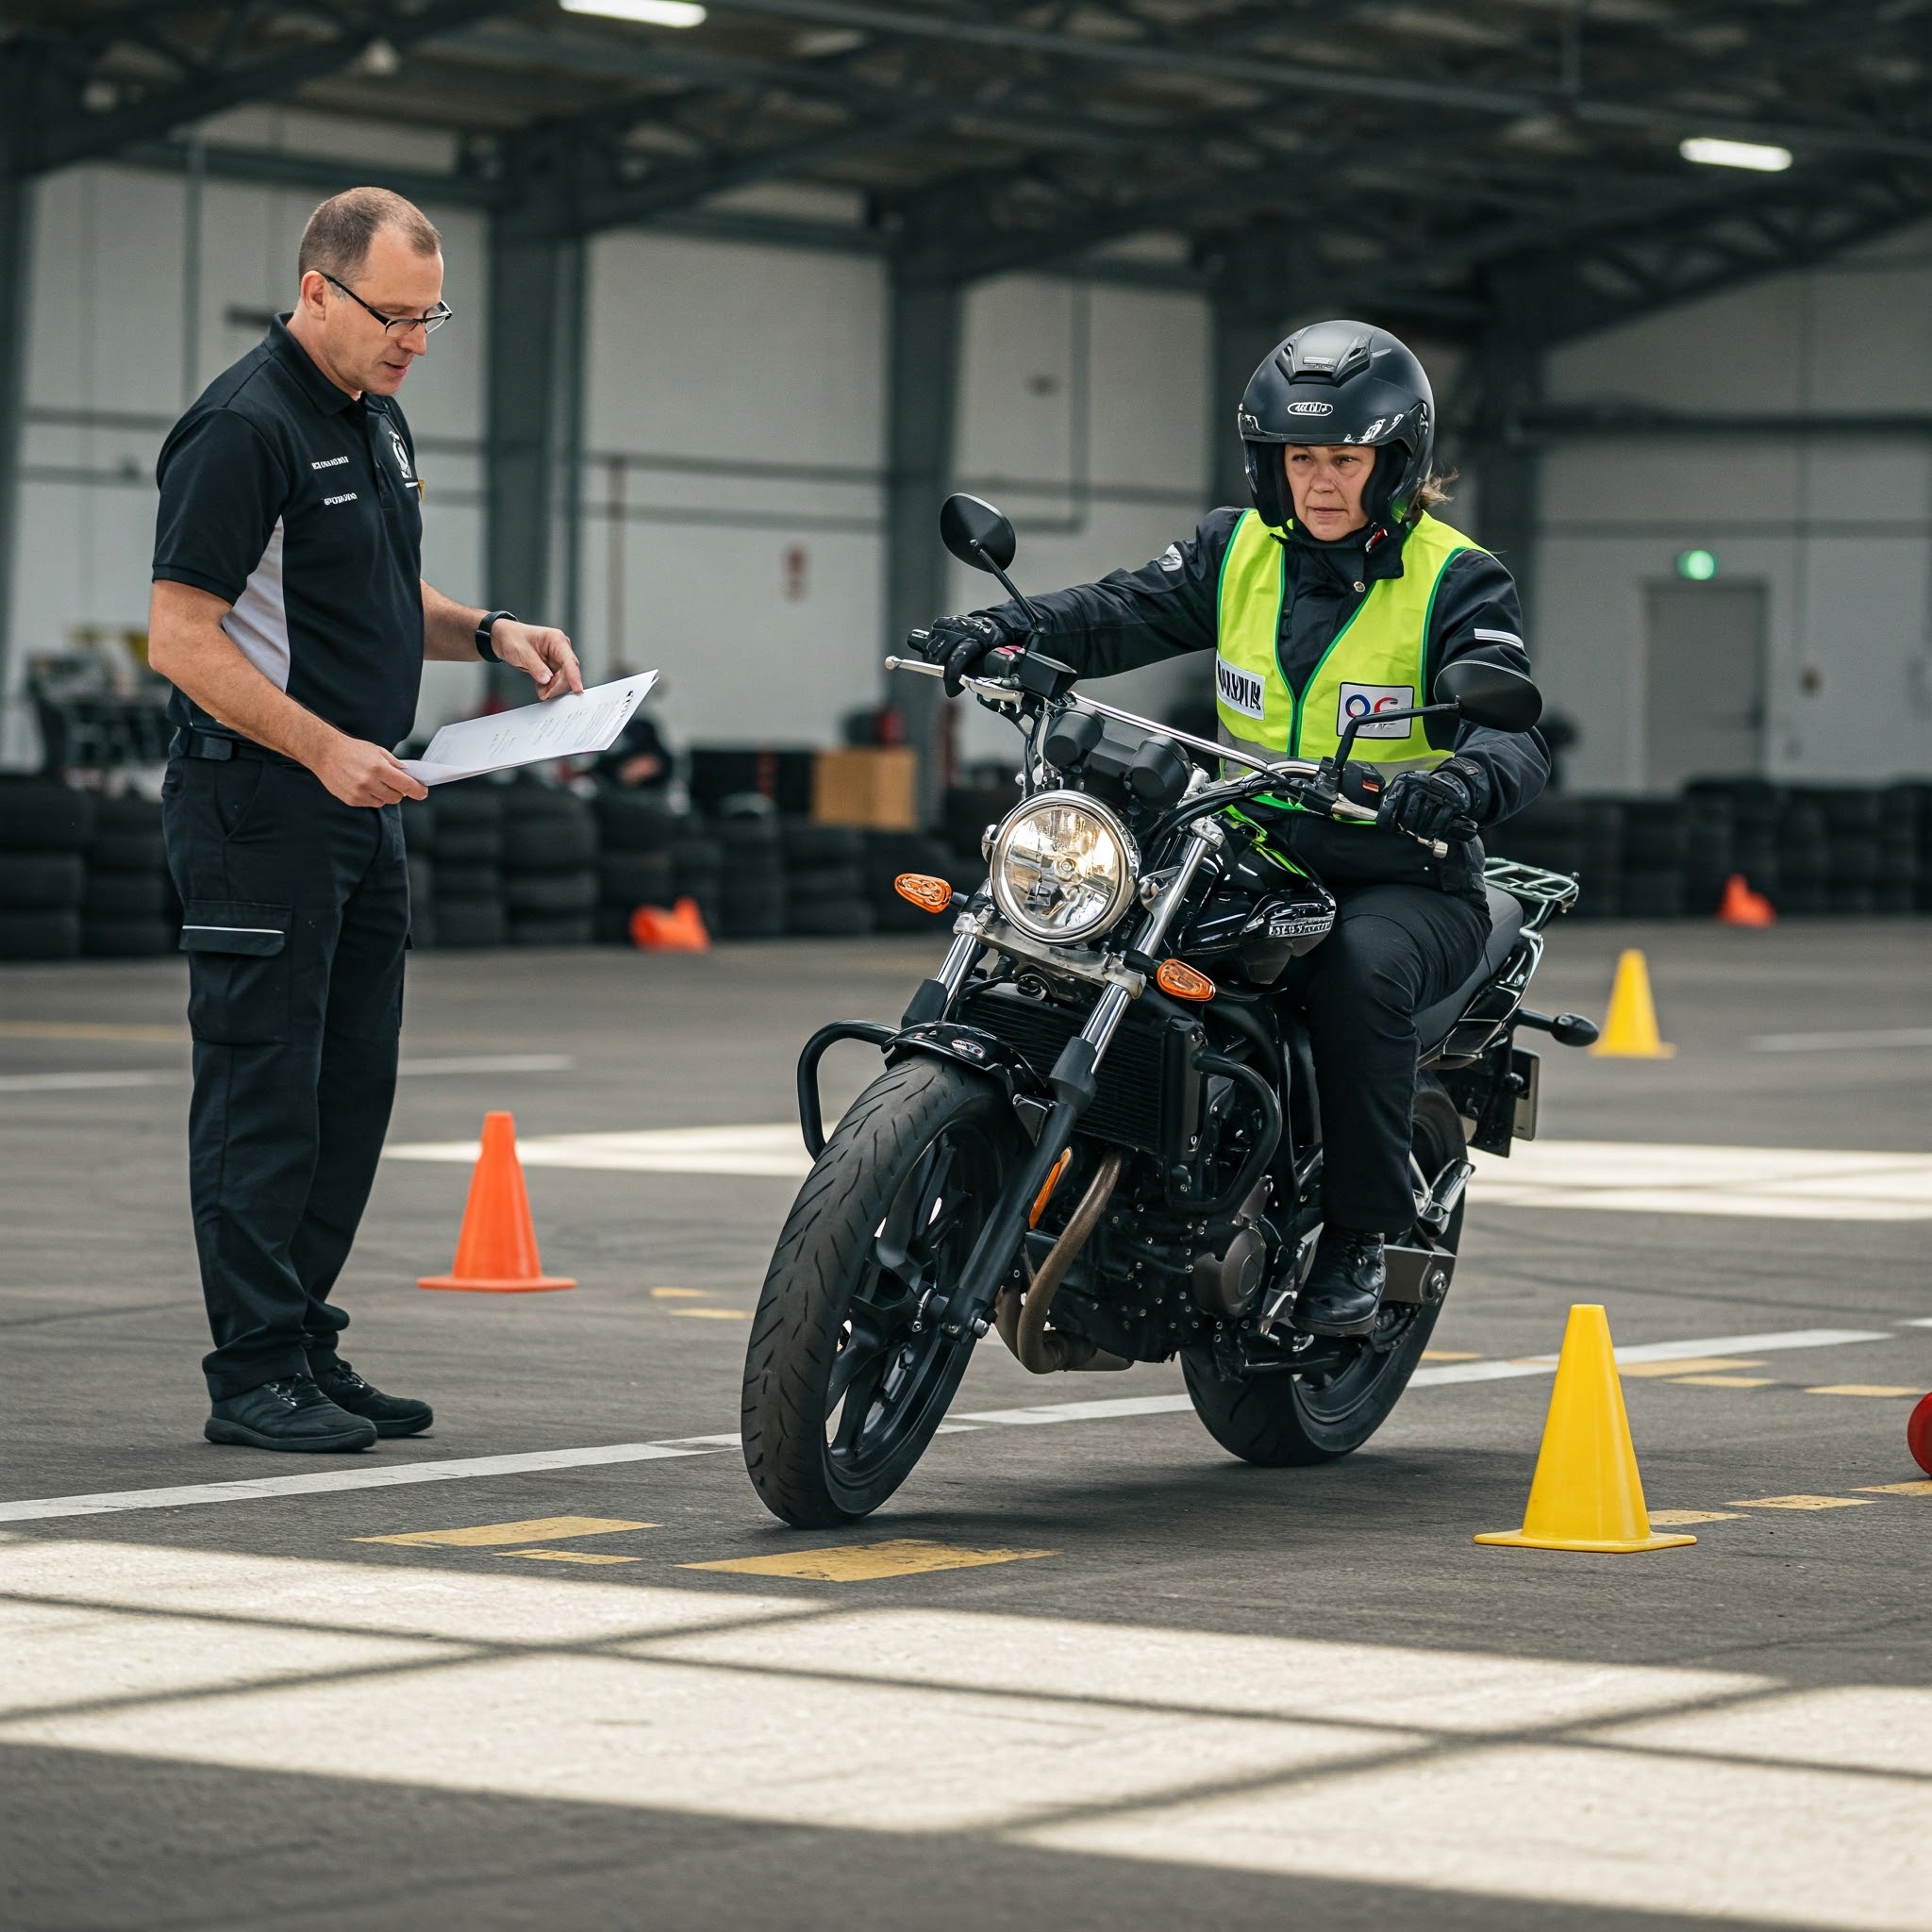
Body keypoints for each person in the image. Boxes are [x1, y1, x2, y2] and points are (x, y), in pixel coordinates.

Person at [917, 319, 1548, 1338]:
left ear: (1394, 461)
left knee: (1358, 970)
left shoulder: (1456, 576)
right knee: (1083, 920)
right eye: (1302, 459)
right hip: (1237, 842)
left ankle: (1356, 1235)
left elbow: (1515, 733)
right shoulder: (1236, 548)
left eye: (1344, 459)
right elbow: (1117, 610)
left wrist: (1461, 779)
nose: (1321, 483)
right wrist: (1003, 627)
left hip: (1400, 872)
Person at [148, 187, 582, 1452]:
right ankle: (251, 1374)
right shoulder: (243, 427)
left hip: (361, 795)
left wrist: (490, 631)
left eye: (430, 315)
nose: (415, 341)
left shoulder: (373, 418)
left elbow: (384, 585)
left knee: (348, 1091)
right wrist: (324, 745)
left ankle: (299, 1339)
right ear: (319, 291)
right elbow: (182, 635)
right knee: (262, 1089)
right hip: (261, 801)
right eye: (394, 315)